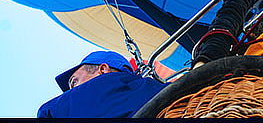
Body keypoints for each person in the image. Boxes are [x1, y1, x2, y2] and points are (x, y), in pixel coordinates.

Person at [37, 51, 166, 118]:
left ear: (103, 70)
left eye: (74, 81)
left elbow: (46, 114)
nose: (71, 91)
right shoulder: (154, 86)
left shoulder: (57, 108)